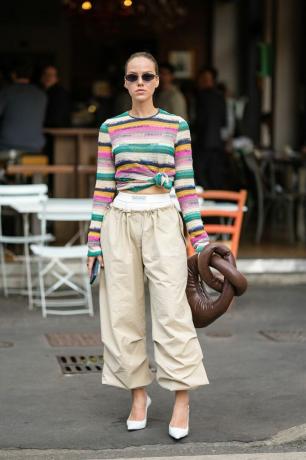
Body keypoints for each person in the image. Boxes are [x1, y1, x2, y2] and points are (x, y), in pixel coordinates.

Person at [87, 51, 210, 440]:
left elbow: (187, 186)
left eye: (147, 76)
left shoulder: (177, 125)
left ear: (158, 81)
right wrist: (93, 243)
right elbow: (104, 186)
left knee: (173, 313)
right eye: (132, 76)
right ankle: (138, 395)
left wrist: (200, 239)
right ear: (125, 83)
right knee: (122, 314)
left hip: (162, 219)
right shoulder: (111, 127)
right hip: (119, 221)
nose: (140, 82)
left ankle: (181, 399)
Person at [0, 60, 47, 155]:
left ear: (13, 75)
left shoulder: (6, 92)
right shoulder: (41, 94)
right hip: (35, 145)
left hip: (8, 144)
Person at [194, 67, 227, 189]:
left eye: (204, 79)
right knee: (215, 174)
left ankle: (207, 199)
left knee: (200, 172)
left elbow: (199, 120)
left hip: (203, 141)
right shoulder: (220, 97)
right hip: (217, 142)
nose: (202, 82)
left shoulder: (201, 96)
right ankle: (216, 201)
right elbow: (224, 122)